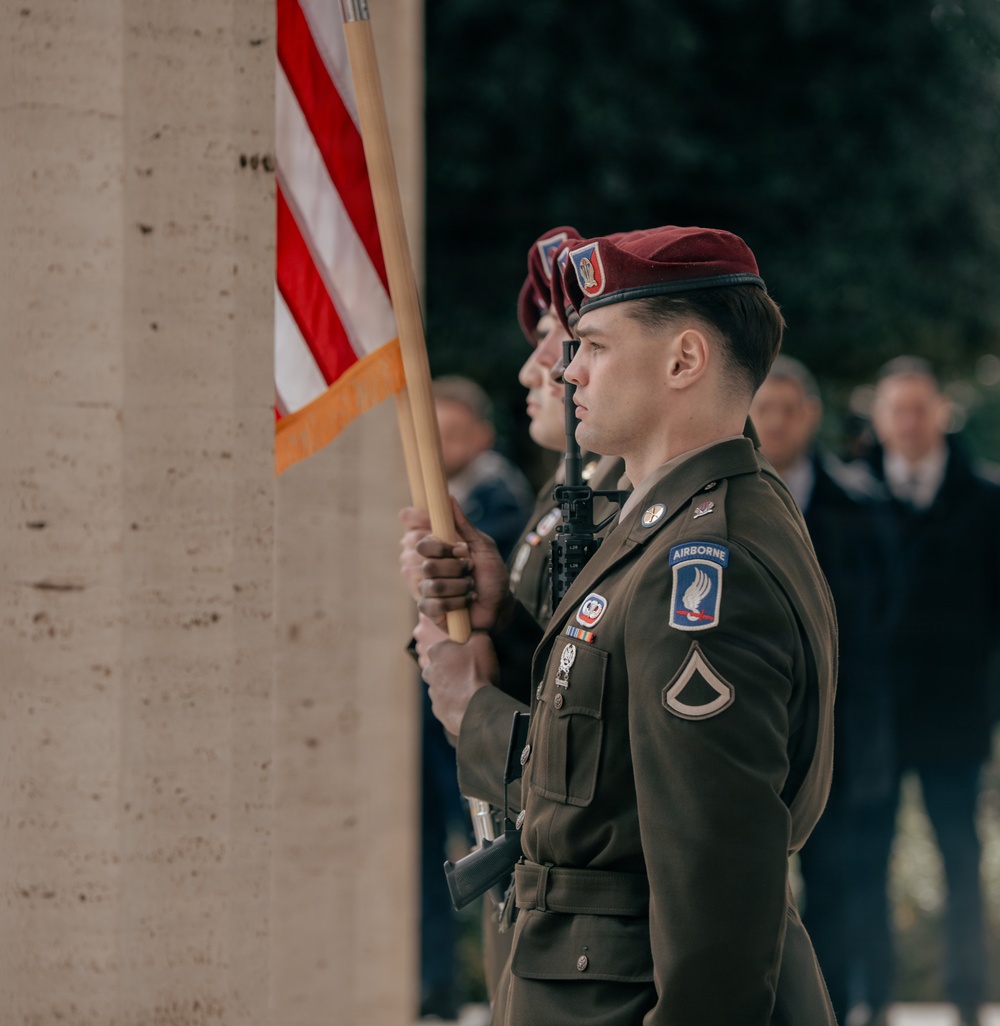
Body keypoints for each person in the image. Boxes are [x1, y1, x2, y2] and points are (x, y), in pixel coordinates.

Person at [413, 225, 838, 1025]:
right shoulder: (669, 525)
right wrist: (500, 621)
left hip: (621, 992)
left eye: (595, 346)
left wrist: (474, 714)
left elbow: (716, 887)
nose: (565, 369)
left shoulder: (705, 568)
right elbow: (607, 764)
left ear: (684, 361)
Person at [401, 227, 628, 1004]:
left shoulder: (618, 504)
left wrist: (479, 677)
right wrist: (485, 615)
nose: (540, 368)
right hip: (532, 852)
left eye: (564, 343)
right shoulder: (565, 495)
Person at [752, 355, 897, 1026]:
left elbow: (888, 624)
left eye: (790, 408)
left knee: (837, 891)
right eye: (764, 408)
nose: (776, 422)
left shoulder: (862, 505)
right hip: (750, 733)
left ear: (811, 415)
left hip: (841, 733)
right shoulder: (721, 502)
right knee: (749, 895)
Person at [865, 356, 1000, 1026]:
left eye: (921, 409)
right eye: (897, 410)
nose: (910, 423)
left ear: (942, 414)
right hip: (878, 720)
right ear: (879, 421)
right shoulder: (856, 497)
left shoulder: (987, 499)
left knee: (961, 862)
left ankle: (972, 1003)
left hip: (957, 714)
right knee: (868, 863)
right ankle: (875, 1001)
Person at [418, 375, 534, 1020]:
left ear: (484, 436)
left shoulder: (503, 503)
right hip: (443, 706)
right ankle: (438, 991)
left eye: (454, 432)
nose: (441, 445)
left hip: (491, 705)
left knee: (491, 851)